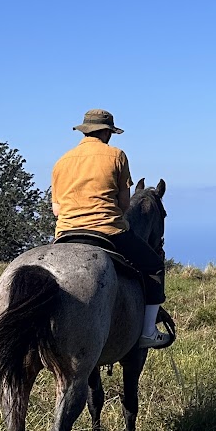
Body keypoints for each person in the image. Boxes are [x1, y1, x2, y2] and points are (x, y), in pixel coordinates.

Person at [50, 108, 173, 349]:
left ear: (85, 131)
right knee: (154, 266)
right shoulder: (116, 156)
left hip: (66, 232)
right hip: (108, 231)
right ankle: (148, 332)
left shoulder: (62, 161)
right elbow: (125, 204)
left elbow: (56, 210)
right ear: (107, 132)